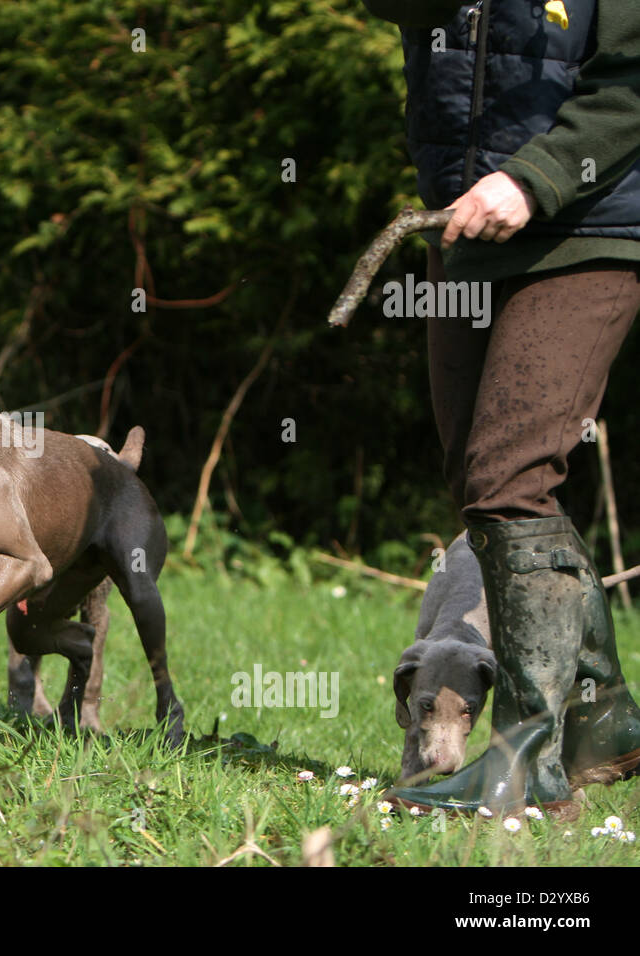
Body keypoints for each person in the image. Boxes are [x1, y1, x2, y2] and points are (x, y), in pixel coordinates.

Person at [362, 0, 640, 815]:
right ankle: (606, 719)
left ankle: (528, 768)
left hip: (590, 225)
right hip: (467, 226)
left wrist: (536, 176)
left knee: (508, 480)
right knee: (478, 490)